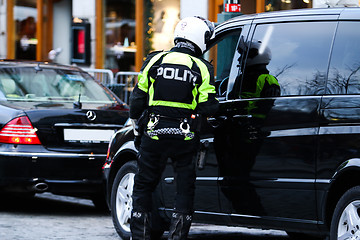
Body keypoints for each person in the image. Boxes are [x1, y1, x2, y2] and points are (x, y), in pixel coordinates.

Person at [129, 16, 219, 240]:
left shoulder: (154, 60)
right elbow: (208, 105)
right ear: (199, 39)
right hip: (185, 136)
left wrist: (135, 125)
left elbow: (138, 97)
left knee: (144, 184)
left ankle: (139, 235)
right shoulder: (202, 67)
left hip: (154, 132)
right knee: (184, 187)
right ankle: (177, 235)